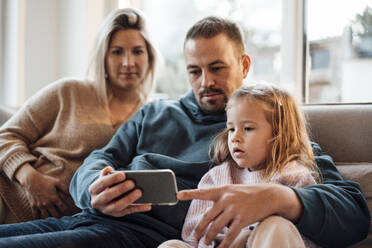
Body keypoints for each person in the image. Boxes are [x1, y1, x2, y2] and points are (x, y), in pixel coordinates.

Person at [0, 16, 369, 248]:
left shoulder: (270, 128)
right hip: (88, 218)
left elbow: (353, 212)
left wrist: (277, 198)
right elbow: (99, 160)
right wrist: (93, 188)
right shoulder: (154, 114)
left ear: (243, 64)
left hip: (136, 236)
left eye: (217, 68)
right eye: (194, 71)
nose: (205, 82)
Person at [0, 7, 158, 224]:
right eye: (117, 52)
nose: (128, 62)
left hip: (57, 227)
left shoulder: (152, 117)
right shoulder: (69, 91)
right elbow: (5, 135)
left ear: (150, 57)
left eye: (137, 51)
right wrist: (31, 179)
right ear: (103, 57)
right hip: (7, 196)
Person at [159, 83, 321, 248]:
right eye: (231, 129)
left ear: (279, 133)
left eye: (248, 128)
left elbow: (308, 238)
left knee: (276, 226)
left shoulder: (295, 177)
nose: (235, 137)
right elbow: (194, 232)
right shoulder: (216, 177)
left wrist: (249, 234)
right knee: (171, 245)